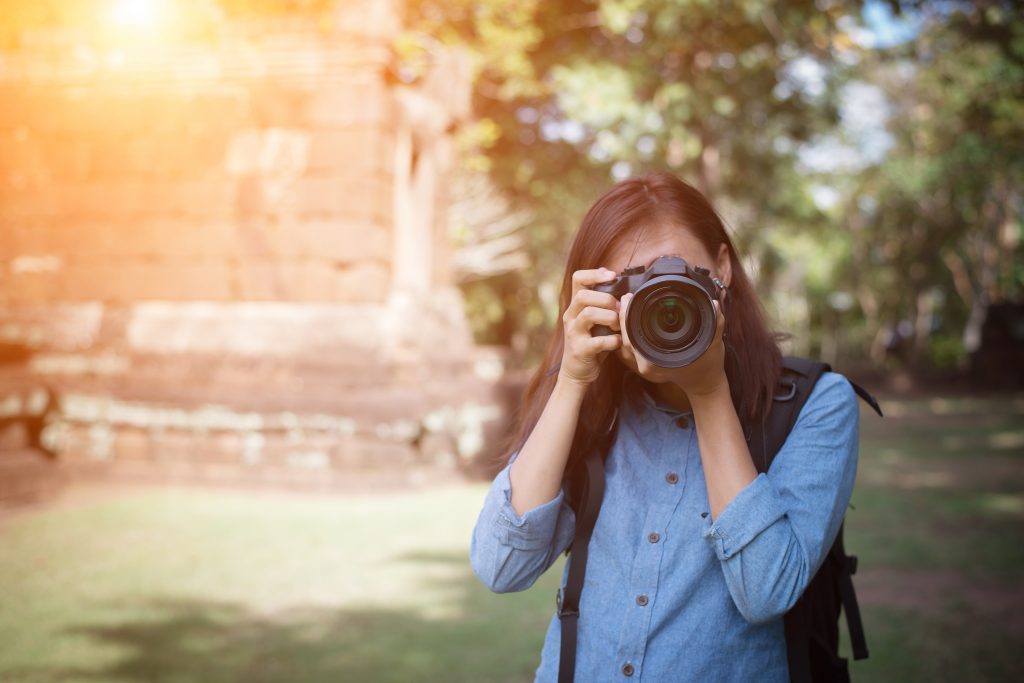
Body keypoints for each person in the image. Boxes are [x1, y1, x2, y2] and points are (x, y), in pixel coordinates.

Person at [470, 172, 860, 682]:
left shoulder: (816, 404)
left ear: (723, 268)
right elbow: (501, 567)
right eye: (634, 282)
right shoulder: (593, 404)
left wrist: (708, 390)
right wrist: (571, 379)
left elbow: (766, 591)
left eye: (682, 276)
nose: (664, 300)